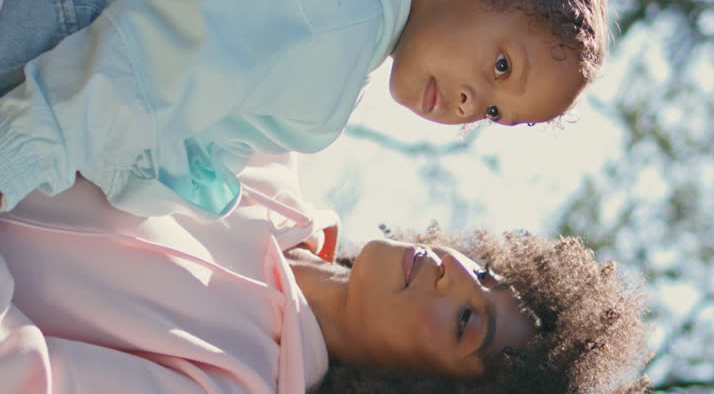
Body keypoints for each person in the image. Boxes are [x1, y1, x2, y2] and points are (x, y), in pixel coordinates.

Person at [0, 0, 628, 220]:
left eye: (495, 113)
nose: (472, 105)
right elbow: (153, 65)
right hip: (60, 35)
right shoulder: (339, 19)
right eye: (499, 65)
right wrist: (18, 155)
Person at [0, 154, 651, 393]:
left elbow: (22, 375)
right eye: (485, 274)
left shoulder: (239, 381)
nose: (454, 274)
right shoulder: (272, 158)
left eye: (466, 321)